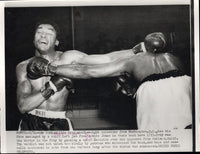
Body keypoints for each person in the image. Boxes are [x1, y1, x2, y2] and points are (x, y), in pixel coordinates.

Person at [27, 32, 192, 129]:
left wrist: (50, 69)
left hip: (154, 102)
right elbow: (166, 84)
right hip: (186, 91)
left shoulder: (134, 61)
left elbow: (88, 71)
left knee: (159, 140)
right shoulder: (174, 59)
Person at [16, 20, 140, 130]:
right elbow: (23, 106)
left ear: (56, 41)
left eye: (49, 32)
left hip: (59, 122)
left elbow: (106, 58)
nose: (43, 35)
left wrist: (136, 50)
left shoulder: (68, 57)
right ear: (33, 39)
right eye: (39, 32)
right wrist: (52, 87)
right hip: (30, 122)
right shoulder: (22, 66)